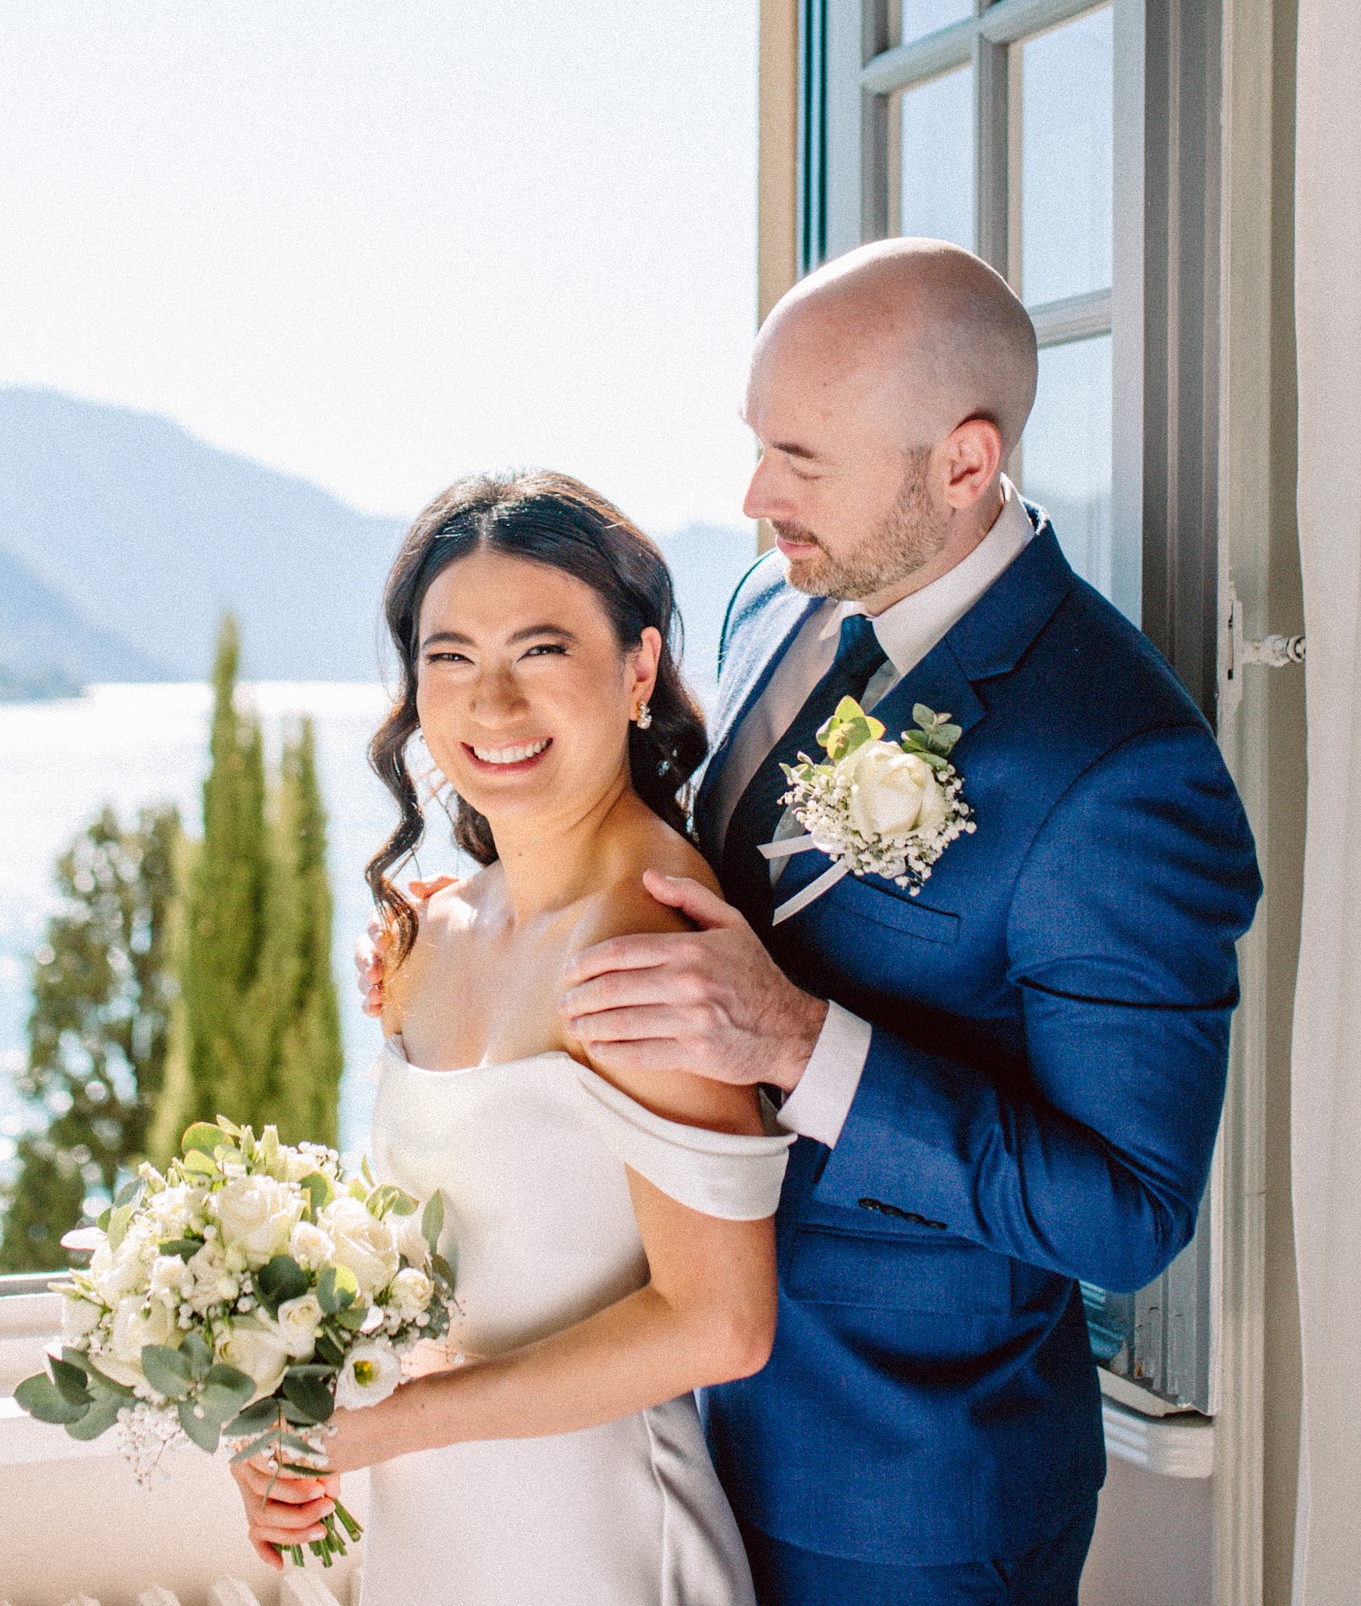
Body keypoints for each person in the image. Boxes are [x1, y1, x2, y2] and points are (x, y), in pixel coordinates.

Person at [553, 239, 1263, 1605]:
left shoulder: (1118, 769)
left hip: (906, 1494)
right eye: (756, 443)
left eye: (801, 461)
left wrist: (799, 1043)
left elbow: (1125, 1211)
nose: (754, 498)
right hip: (666, 1424)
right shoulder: (772, 602)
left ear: (962, 462)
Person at [230, 471, 793, 1604]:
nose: (490, 703)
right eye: (449, 657)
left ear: (637, 669)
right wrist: (304, 1420)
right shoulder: (432, 932)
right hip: (434, 1533)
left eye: (541, 650)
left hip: (593, 1543)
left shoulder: (649, 947)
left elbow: (719, 1324)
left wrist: (396, 1423)